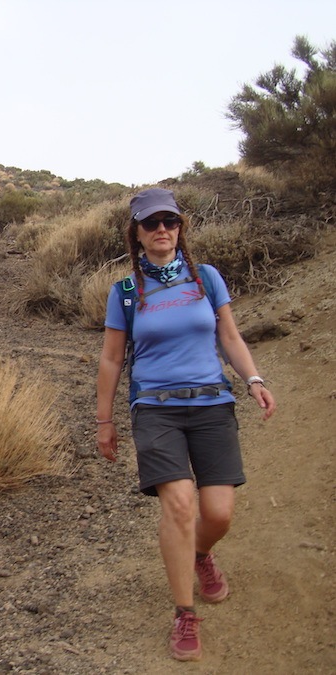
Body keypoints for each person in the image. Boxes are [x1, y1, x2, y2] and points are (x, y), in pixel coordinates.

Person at [95, 188, 276, 662]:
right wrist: (104, 421)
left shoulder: (206, 278)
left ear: (180, 228)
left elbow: (229, 336)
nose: (161, 230)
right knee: (178, 505)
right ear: (136, 232)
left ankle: (199, 554)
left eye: (169, 222)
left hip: (212, 403)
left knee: (217, 514)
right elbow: (112, 361)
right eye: (151, 222)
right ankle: (183, 612)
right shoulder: (126, 293)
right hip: (155, 408)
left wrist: (253, 379)